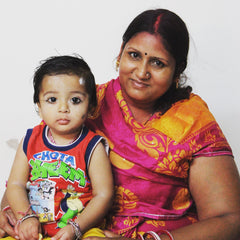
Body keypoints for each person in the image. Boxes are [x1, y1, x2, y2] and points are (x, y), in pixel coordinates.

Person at [1, 8, 240, 240]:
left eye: (158, 63)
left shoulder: (193, 122)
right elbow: (33, 167)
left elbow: (229, 222)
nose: (142, 72)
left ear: (177, 71)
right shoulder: (83, 103)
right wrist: (9, 214)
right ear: (120, 54)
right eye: (134, 55)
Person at [1, 55, 114, 240]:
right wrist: (26, 216)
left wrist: (76, 227)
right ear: (39, 105)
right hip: (34, 226)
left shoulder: (93, 147)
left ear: (91, 106)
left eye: (75, 100)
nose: (63, 108)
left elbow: (104, 195)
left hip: (81, 228)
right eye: (52, 99)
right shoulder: (30, 140)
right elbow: (16, 184)